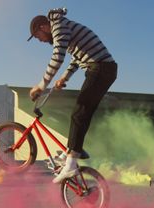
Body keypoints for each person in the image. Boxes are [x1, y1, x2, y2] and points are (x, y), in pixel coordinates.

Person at [28, 7, 117, 183]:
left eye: (39, 37)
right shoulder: (64, 27)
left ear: (43, 27)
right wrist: (64, 77)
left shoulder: (59, 28)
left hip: (100, 68)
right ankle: (74, 150)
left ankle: (71, 161)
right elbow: (77, 57)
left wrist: (41, 85)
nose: (41, 41)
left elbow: (58, 57)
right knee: (83, 112)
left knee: (80, 111)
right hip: (102, 68)